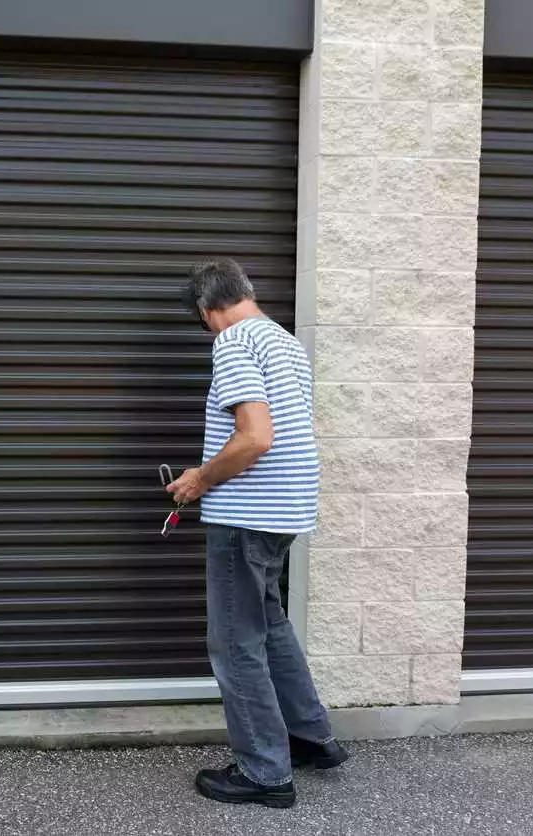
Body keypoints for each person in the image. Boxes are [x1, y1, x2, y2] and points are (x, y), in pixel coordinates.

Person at [167, 258, 348, 809]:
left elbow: (254, 437)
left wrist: (198, 479)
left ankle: (265, 772)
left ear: (206, 310)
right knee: (268, 625)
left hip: (246, 515)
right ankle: (311, 738)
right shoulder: (284, 341)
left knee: (234, 642)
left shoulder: (234, 342)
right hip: (285, 511)